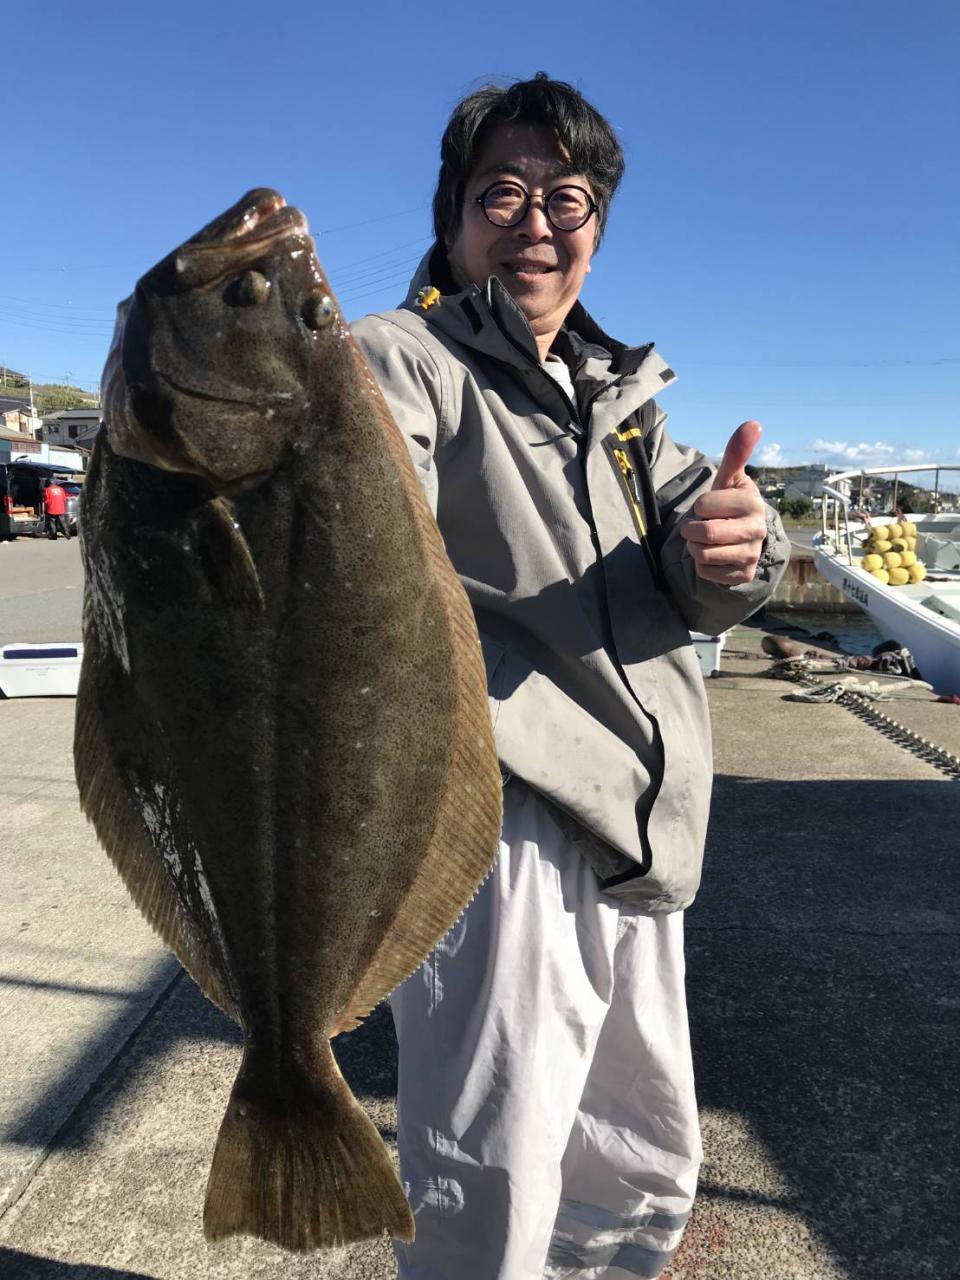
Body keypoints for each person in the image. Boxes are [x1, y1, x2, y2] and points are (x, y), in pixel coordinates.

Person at [352, 73, 789, 1280]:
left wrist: (737, 548)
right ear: (452, 217)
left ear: (598, 227)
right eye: (502, 191)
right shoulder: (401, 360)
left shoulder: (626, 398)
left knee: (637, 1158)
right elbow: (356, 511)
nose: (536, 221)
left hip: (641, 822)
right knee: (490, 1176)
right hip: (496, 818)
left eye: (569, 197)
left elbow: (710, 559)